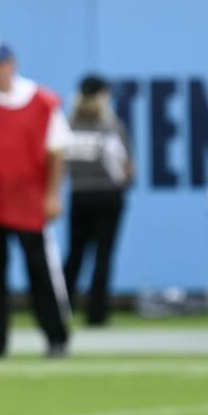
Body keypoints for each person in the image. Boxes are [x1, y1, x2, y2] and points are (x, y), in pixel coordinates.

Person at [0, 40, 72, 358]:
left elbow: (57, 152)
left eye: (0, 63)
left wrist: (52, 195)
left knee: (39, 269)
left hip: (27, 199)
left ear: (12, 64)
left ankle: (56, 336)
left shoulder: (42, 102)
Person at [63, 74, 132, 326]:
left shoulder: (68, 125)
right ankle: (96, 313)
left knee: (75, 254)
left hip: (79, 195)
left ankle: (61, 308)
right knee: (103, 255)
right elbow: (123, 168)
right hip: (108, 196)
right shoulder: (110, 127)